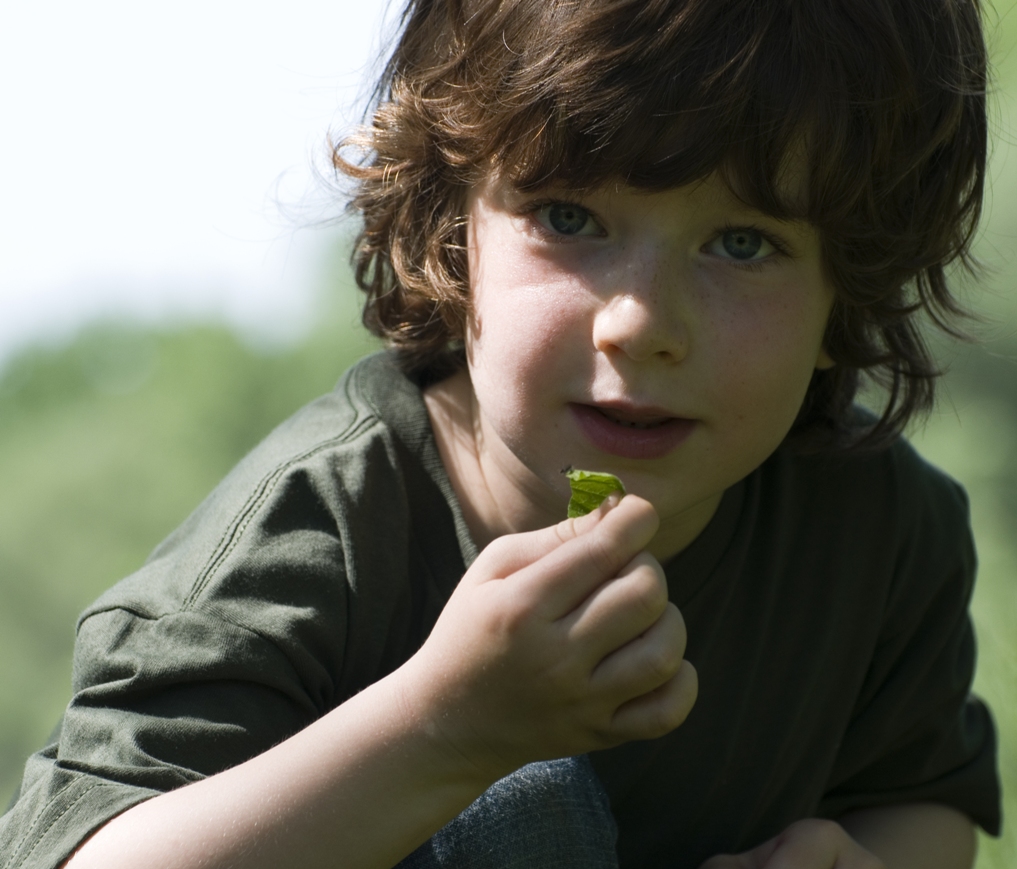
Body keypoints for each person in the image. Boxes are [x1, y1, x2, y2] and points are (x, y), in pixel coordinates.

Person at [0, 0, 1002, 867]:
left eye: (744, 243)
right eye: (570, 217)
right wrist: (442, 726)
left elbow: (924, 796)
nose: (641, 322)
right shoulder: (325, 528)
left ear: (850, 286)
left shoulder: (878, 528)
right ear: (451, 233)